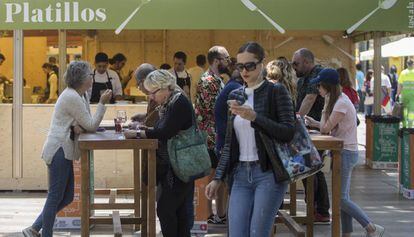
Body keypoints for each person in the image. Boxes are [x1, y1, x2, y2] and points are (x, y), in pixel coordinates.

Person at [205, 42, 295, 237]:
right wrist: (218, 177)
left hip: (269, 173)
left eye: (250, 65)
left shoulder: (276, 91)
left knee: (257, 232)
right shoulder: (235, 94)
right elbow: (229, 143)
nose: (244, 70)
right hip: (240, 174)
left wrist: (255, 117)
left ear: (262, 64)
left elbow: (288, 132)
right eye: (240, 66)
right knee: (236, 232)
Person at [22, 61, 112, 237]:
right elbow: (91, 125)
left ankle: (34, 228)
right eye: (89, 75)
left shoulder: (80, 95)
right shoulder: (71, 97)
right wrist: (102, 103)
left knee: (68, 196)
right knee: (55, 196)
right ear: (80, 79)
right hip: (59, 150)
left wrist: (79, 125)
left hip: (64, 150)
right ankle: (44, 233)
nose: (92, 78)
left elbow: (85, 123)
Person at [305, 68, 385, 237]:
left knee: (341, 199)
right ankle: (347, 233)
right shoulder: (340, 100)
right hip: (344, 152)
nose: (317, 88)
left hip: (346, 153)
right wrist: (313, 122)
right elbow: (325, 127)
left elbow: (326, 128)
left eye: (319, 85)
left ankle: (371, 228)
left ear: (327, 86)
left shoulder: (340, 103)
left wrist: (324, 108)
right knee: (344, 197)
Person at [124, 69, 194, 237]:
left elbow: (165, 131)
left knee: (166, 209)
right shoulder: (172, 100)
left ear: (164, 87)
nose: (151, 97)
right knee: (178, 211)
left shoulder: (178, 102)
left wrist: (140, 133)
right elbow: (162, 128)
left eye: (153, 92)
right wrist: (146, 128)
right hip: (177, 164)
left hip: (180, 165)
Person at [292, 48, 331, 223]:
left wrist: (296, 122)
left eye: (296, 63)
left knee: (314, 168)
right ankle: (316, 208)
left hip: (317, 129)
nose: (294, 67)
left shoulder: (318, 74)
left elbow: (309, 99)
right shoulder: (302, 78)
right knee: (311, 168)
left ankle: (320, 210)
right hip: (308, 129)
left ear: (307, 62)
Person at [195, 45, 230, 224]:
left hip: (215, 134)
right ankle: (210, 214)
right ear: (217, 61)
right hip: (210, 136)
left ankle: (220, 214)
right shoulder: (209, 81)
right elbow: (213, 109)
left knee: (220, 178)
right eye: (226, 58)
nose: (229, 62)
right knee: (214, 177)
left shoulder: (217, 79)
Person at [397, 59, 414, 127]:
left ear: (407, 64)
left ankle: (404, 125)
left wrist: (397, 94)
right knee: (411, 111)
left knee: (404, 110)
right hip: (412, 96)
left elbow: (400, 85)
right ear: (413, 64)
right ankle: (410, 126)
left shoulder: (403, 73)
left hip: (404, 95)